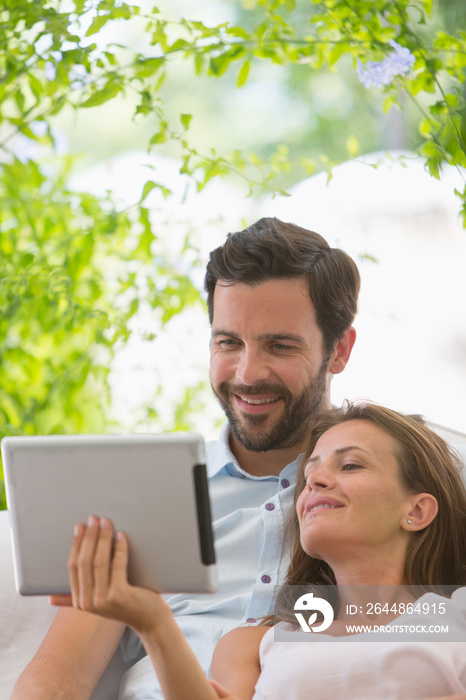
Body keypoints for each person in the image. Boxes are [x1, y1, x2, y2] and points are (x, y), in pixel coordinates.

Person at [11, 217, 359, 699]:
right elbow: (61, 672)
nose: (247, 373)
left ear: (338, 349)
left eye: (279, 345)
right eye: (228, 342)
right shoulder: (147, 494)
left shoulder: (383, 491)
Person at [65, 402, 466, 700]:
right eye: (310, 473)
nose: (315, 481)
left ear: (416, 511)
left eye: (350, 466)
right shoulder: (254, 644)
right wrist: (154, 622)